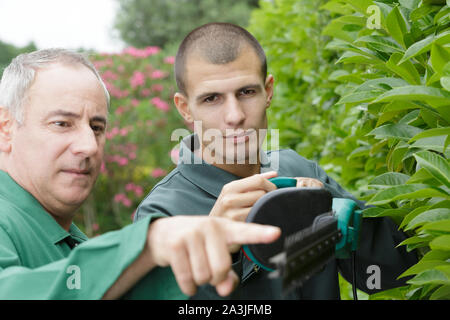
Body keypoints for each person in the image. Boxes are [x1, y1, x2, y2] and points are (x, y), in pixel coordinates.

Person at [134, 22, 418, 299]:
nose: (234, 116)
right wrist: (220, 249)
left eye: (246, 92)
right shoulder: (161, 215)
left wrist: (344, 219)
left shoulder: (299, 170)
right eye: (211, 99)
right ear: (185, 108)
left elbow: (396, 268)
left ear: (268, 91)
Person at [0, 48, 282, 299]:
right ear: (5, 129)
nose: (88, 146)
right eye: (62, 123)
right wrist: (147, 243)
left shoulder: (73, 243)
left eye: (97, 128)